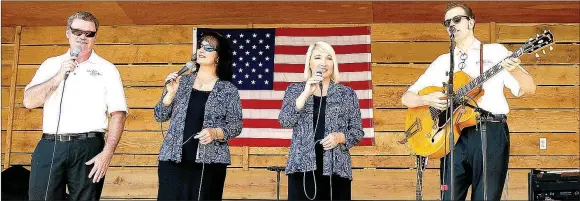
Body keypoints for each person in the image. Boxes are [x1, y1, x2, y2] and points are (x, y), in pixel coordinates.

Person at [401, 3, 536, 200]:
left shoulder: (495, 52)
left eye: (457, 19)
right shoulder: (442, 61)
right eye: (447, 22)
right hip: (452, 135)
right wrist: (426, 98)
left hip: (490, 131)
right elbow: (407, 97)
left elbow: (529, 88)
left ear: (471, 22)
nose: (451, 25)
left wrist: (514, 69)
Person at [23, 11, 128, 200]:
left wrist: (107, 153)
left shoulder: (107, 69)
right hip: (51, 143)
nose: (83, 37)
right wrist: (57, 77)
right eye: (77, 32)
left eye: (89, 34)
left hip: (89, 146)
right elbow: (29, 101)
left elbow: (118, 114)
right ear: (67, 33)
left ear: (95, 37)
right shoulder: (51, 64)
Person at [154, 32, 242, 200]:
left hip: (209, 163)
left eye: (209, 47)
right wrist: (170, 95)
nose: (202, 49)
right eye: (201, 45)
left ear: (218, 56)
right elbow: (159, 116)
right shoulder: (182, 81)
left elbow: (235, 125)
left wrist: (215, 133)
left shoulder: (228, 90)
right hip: (172, 159)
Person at [278, 41, 364, 200]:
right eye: (318, 57)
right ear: (310, 63)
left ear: (334, 64)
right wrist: (305, 94)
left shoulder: (347, 94)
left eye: (329, 58)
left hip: (336, 168)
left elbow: (357, 131)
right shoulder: (295, 90)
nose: (324, 63)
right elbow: (285, 120)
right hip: (302, 168)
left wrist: (340, 137)